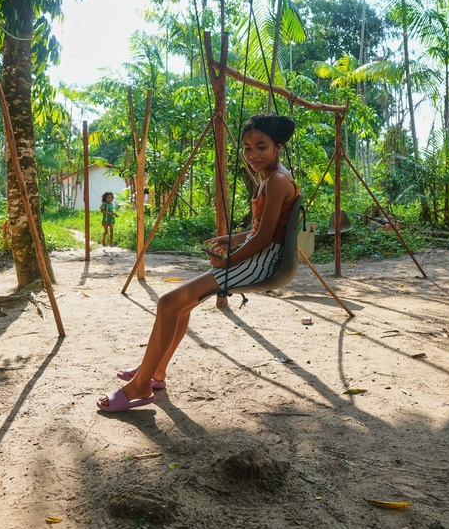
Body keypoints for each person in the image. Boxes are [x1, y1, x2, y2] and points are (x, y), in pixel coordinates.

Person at [98, 114, 299, 412]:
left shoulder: (278, 180)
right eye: (247, 148)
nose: (253, 155)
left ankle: (140, 385)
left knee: (168, 303)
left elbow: (265, 237)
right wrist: (231, 239)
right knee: (181, 305)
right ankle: (155, 372)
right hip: (257, 252)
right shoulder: (270, 177)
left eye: (261, 147)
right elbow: (260, 229)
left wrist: (228, 261)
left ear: (278, 147)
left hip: (264, 262)